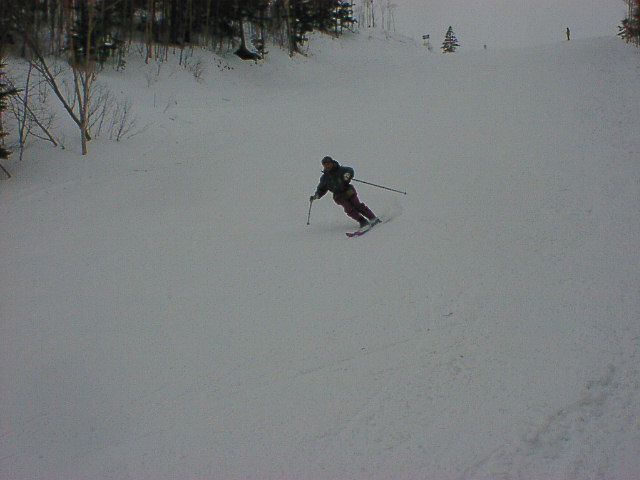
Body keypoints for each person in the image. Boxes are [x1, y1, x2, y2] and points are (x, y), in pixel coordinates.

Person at [310, 156, 380, 228]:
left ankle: (372, 218)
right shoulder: (325, 178)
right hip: (338, 196)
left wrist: (347, 175)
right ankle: (362, 221)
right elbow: (321, 188)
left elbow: (350, 170)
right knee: (349, 209)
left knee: (357, 205)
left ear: (332, 163)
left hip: (348, 190)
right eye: (325, 165)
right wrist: (316, 195)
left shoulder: (340, 170)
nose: (327, 166)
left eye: (328, 164)